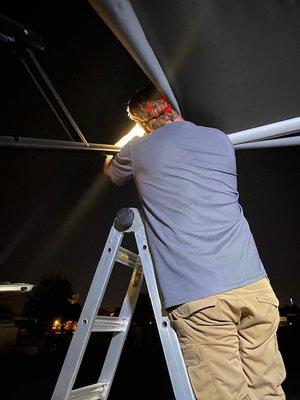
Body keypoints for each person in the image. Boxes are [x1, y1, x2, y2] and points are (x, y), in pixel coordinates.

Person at [103, 84, 286, 400]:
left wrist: (126, 142)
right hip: (255, 288)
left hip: (201, 296)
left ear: (141, 121)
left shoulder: (138, 149)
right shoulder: (219, 139)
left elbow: (111, 172)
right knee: (267, 390)